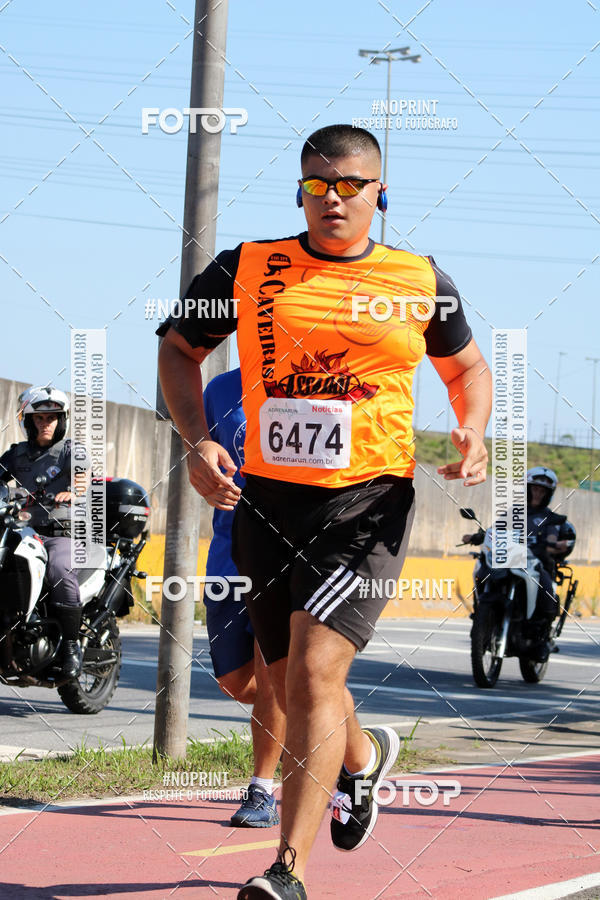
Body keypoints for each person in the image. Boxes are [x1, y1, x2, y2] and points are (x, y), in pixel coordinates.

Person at [158, 124, 492, 900]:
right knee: (285, 683)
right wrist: (198, 439)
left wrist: (472, 428)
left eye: (349, 186)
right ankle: (362, 761)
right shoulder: (246, 266)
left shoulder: (419, 278)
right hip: (268, 503)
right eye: (316, 185)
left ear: (380, 193)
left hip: (367, 503)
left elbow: (468, 368)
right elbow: (178, 348)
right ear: (300, 191)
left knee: (312, 672)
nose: (331, 199)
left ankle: (287, 872)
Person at [203, 367, 286, 827]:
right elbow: (203, 455)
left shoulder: (317, 380)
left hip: (289, 549)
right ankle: (319, 716)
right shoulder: (220, 390)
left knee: (272, 669)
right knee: (235, 682)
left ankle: (261, 789)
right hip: (228, 548)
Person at [0, 386, 90, 679]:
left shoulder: (70, 451)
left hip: (60, 533)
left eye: (52, 417)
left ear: (61, 420)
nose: (46, 423)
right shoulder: (16, 454)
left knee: (59, 569)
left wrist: (73, 493)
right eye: (39, 418)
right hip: (24, 531)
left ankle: (71, 647)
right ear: (28, 421)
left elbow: (81, 478)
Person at [463, 466, 576, 661]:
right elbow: (495, 530)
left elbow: (553, 536)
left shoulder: (550, 518)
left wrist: (552, 544)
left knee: (545, 584)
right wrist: (478, 536)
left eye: (542, 491)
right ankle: (482, 615)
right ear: (527, 488)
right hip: (509, 559)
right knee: (483, 568)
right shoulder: (514, 512)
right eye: (535, 488)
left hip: (535, 562)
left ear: (548, 494)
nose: (538, 493)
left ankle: (542, 635)